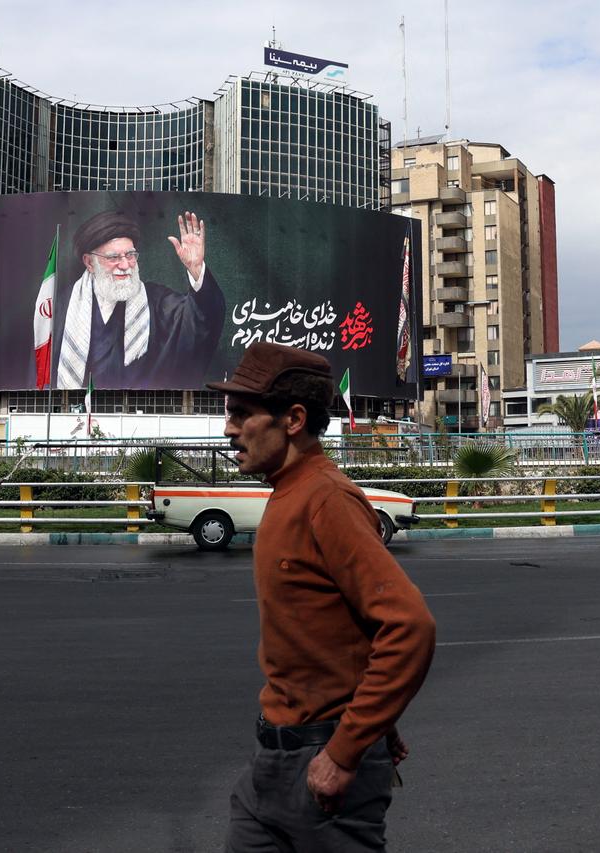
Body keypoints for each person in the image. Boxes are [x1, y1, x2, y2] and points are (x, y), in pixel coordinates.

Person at [207, 342, 437, 852]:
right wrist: (375, 717)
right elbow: (337, 627)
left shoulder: (327, 500)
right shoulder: (288, 493)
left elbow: (409, 626)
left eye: (242, 414)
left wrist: (349, 745)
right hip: (274, 759)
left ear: (292, 419)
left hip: (321, 764)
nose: (229, 429)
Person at [54, 209, 224, 390]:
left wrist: (196, 269)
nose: (125, 265)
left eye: (130, 255)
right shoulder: (64, 307)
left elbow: (201, 318)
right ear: (89, 263)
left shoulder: (157, 302)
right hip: (79, 413)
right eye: (113, 257)